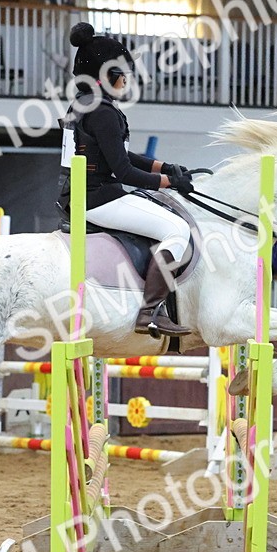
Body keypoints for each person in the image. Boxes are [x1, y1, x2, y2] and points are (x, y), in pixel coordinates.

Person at [57, 22, 195, 338]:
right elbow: (124, 173)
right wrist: (170, 184)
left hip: (79, 194)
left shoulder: (85, 104)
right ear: (105, 76)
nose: (126, 80)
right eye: (122, 74)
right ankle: (149, 312)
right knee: (178, 229)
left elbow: (118, 154)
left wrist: (166, 166)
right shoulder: (103, 112)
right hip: (99, 198)